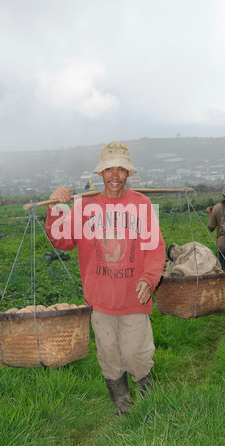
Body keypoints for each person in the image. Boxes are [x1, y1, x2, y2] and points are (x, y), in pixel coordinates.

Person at [46, 141, 166, 417]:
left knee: (136, 354)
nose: (115, 175)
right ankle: (123, 409)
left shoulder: (142, 204)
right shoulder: (85, 206)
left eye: (121, 170)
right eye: (109, 169)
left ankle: (152, 407)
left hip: (134, 297)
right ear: (101, 173)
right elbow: (63, 240)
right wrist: (55, 207)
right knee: (109, 356)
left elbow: (155, 248)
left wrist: (148, 279)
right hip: (99, 299)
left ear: (128, 174)